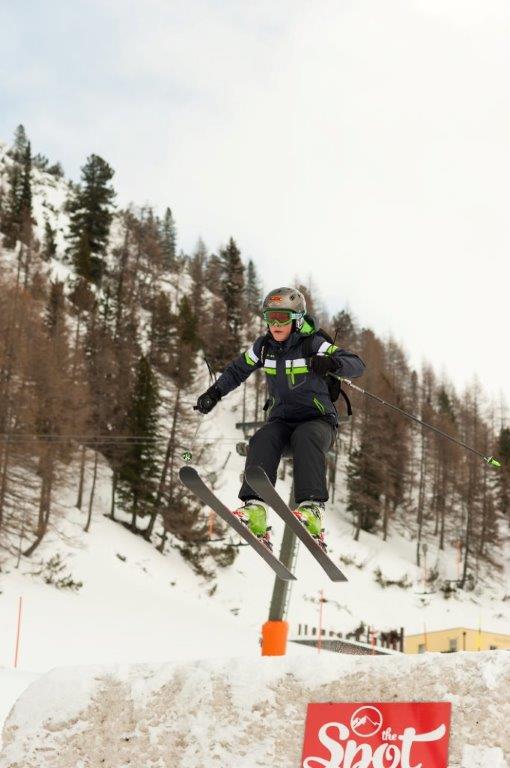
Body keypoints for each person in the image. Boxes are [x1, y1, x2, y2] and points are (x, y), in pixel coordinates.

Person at [195, 287, 365, 549]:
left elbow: (356, 364)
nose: (275, 324)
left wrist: (332, 363)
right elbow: (238, 370)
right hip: (282, 423)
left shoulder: (313, 343)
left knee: (306, 436)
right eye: (270, 317)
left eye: (282, 317)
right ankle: (255, 510)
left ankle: (312, 510)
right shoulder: (264, 348)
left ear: (297, 319)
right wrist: (214, 393)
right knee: (262, 439)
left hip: (318, 422)